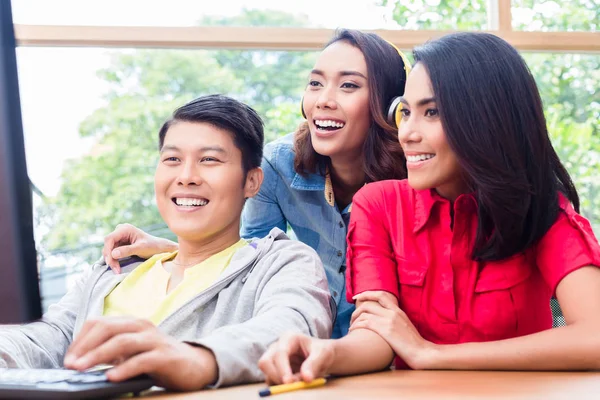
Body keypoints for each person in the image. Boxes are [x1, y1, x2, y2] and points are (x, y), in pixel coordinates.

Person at [258, 32, 600, 384]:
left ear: (487, 119)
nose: (407, 133)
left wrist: (432, 355)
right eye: (406, 112)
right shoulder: (377, 204)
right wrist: (326, 352)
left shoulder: (541, 210)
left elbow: (594, 336)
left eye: (432, 112)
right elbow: (377, 334)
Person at [0, 95, 332, 390]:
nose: (186, 176)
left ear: (251, 181)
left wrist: (196, 358)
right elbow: (43, 338)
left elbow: (291, 329)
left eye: (209, 160)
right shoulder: (113, 271)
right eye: (172, 159)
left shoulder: (282, 263)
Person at [100, 29, 411, 339]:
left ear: (392, 106)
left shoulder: (416, 176)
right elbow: (250, 265)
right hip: (307, 348)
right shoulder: (277, 164)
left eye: (348, 85)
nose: (323, 100)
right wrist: (174, 251)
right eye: (315, 83)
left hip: (394, 349)